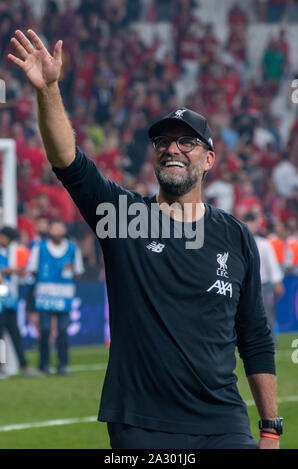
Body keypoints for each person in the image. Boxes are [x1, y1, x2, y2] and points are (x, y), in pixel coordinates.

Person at [8, 29, 282, 449]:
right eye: (163, 141)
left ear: (209, 159)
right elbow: (69, 162)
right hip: (143, 425)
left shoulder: (236, 235)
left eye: (187, 141)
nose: (172, 148)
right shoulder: (122, 217)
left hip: (224, 423)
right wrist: (48, 91)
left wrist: (269, 427)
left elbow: (255, 336)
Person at [26, 219, 84, 375]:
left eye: (60, 228)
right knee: (44, 330)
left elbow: (78, 272)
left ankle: (63, 364)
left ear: (64, 231)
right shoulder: (40, 248)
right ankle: (43, 365)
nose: (57, 232)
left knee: (63, 331)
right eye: (54, 228)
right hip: (44, 296)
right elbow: (32, 269)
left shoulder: (73, 249)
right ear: (50, 231)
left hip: (64, 296)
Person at [0, 226, 40, 378]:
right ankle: (1, 368)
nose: (9, 242)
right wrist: (9, 271)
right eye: (8, 239)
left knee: (15, 334)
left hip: (8, 300)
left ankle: (24, 366)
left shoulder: (9, 252)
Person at [244, 214, 285, 337]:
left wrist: (277, 282)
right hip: (246, 285)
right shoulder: (241, 242)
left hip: (263, 284)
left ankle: (270, 339)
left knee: (267, 314)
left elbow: (272, 264)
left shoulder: (264, 244)